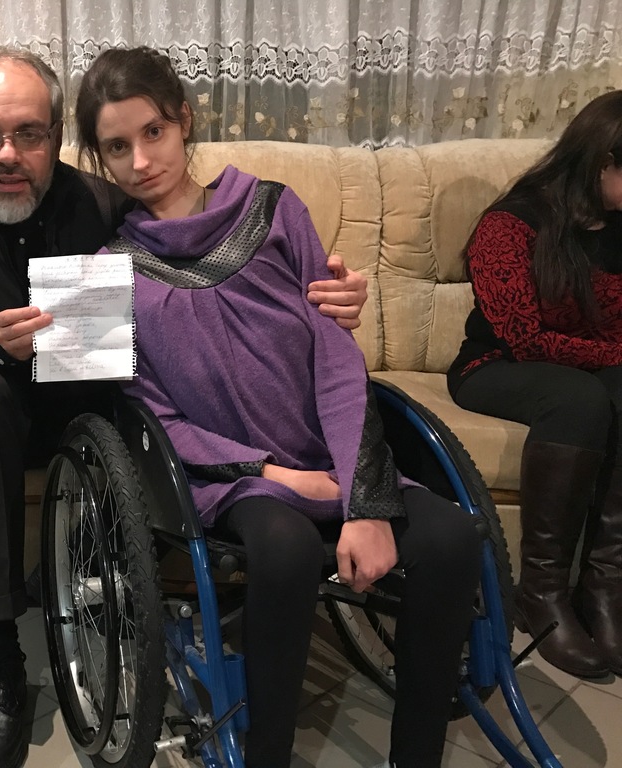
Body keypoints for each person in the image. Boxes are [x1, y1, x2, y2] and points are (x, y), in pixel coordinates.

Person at [0, 46, 368, 768]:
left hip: (96, 395)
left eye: (29, 133)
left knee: (133, 396)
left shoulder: (104, 201)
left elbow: (205, 278)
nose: (8, 153)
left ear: (56, 136)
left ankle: (143, 586)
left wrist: (326, 293)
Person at [74, 46, 483, 768]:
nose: (139, 161)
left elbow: (334, 356)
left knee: (451, 537)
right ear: (99, 158)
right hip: (235, 480)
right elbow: (149, 417)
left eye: (154, 132)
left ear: (184, 121)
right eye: (115, 147)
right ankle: (268, 753)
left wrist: (362, 497)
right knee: (286, 548)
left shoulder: (273, 208)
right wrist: (277, 476)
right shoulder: (105, 270)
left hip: (330, 453)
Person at [448, 90, 622, 680]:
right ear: (603, 161)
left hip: (588, 367)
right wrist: (614, 354)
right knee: (580, 399)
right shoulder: (512, 222)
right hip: (495, 365)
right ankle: (541, 593)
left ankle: (603, 587)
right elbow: (522, 338)